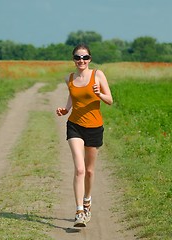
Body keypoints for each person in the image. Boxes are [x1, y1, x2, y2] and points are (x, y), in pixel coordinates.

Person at [56, 43, 113, 227]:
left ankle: (87, 200)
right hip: (75, 126)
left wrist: (99, 94)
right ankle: (79, 211)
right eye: (78, 57)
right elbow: (73, 96)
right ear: (73, 60)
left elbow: (110, 100)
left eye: (85, 57)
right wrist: (65, 110)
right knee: (79, 169)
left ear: (90, 59)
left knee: (89, 171)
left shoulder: (98, 75)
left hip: (95, 127)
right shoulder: (69, 78)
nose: (81, 60)